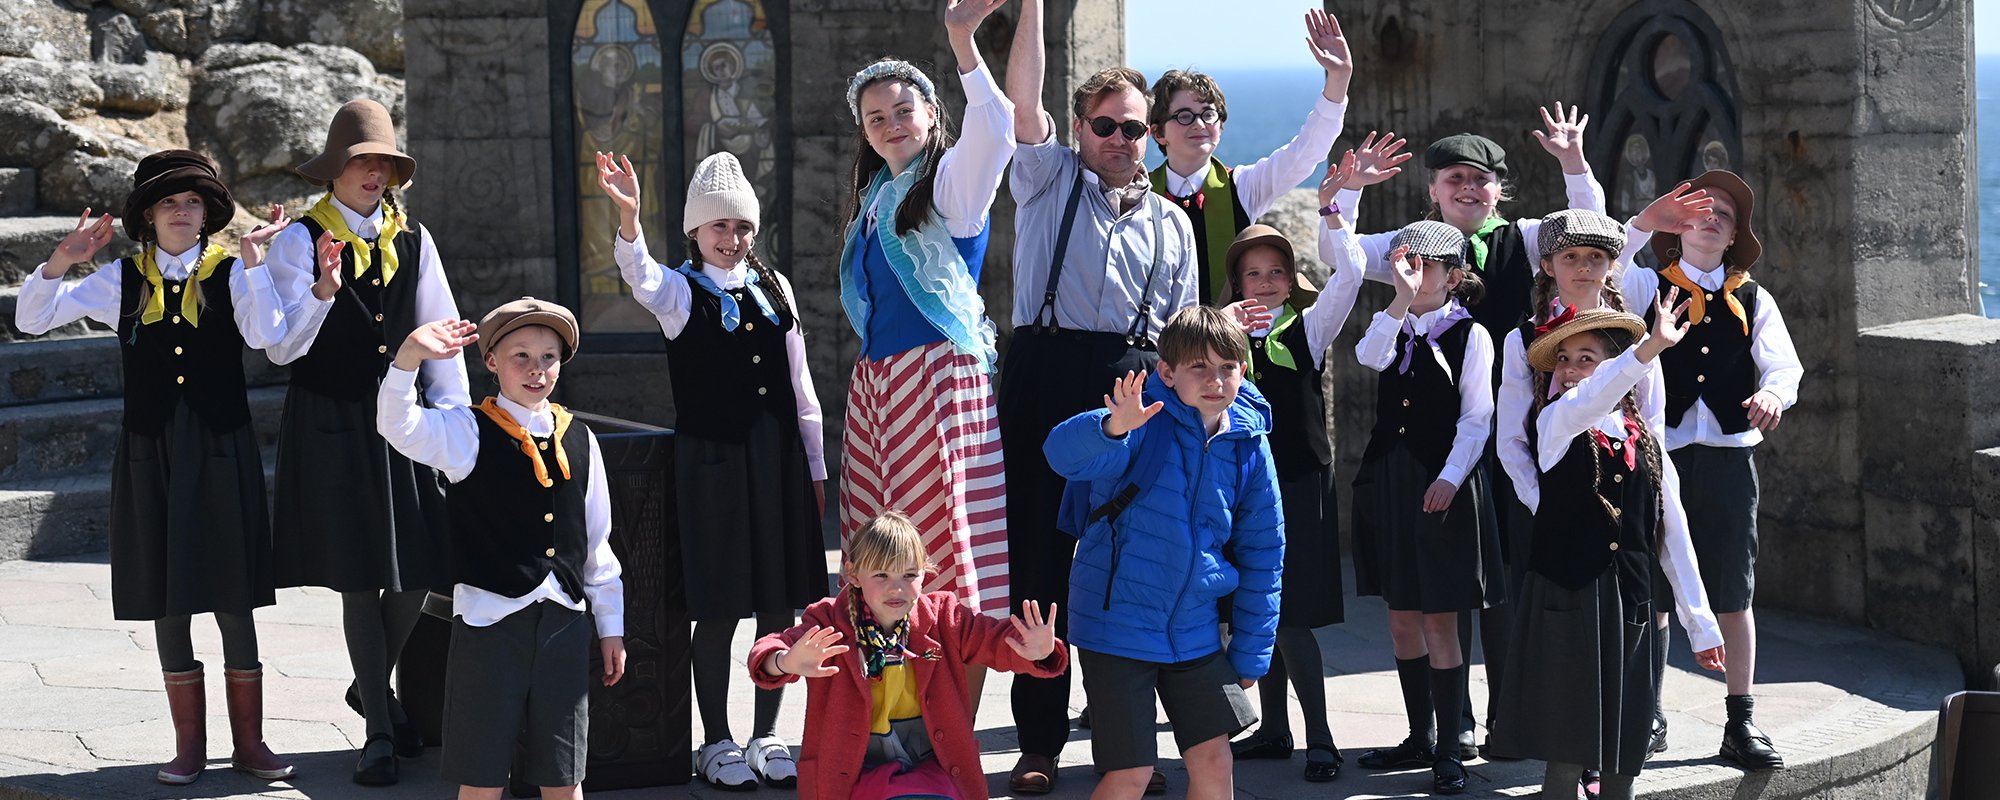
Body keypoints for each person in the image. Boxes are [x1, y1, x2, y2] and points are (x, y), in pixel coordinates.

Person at [1321, 108, 1608, 761]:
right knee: (1449, 590)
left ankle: (1507, 716)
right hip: (1433, 443)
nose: (1469, 188)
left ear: (1500, 189)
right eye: (1455, 178)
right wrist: (1347, 192)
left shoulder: (1525, 238)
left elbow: (1591, 228)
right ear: (1433, 187)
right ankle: (1457, 724)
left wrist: (1573, 163)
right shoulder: (1411, 246)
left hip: (1519, 432)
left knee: (1503, 579)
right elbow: (1339, 255)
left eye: (1481, 179)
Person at [15, 151, 294, 786]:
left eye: (193, 201)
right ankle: (188, 745)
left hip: (220, 447)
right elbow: (31, 320)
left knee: (233, 595)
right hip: (152, 450)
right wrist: (61, 260)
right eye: (168, 201)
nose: (181, 211)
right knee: (169, 594)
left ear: (208, 212)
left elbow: (266, 337)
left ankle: (250, 742)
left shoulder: (231, 270)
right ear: (147, 215)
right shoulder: (120, 278)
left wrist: (254, 263)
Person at [598, 149, 827, 790]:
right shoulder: (678, 291)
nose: (733, 238)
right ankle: (717, 739)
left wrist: (814, 468)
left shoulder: (776, 288)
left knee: (777, 604)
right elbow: (639, 275)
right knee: (719, 605)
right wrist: (630, 219)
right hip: (714, 466)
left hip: (777, 461)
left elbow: (801, 387)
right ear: (695, 231)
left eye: (743, 226)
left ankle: (766, 733)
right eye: (719, 226)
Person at [257, 98, 465, 785]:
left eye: (383, 162)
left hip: (403, 419)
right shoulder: (298, 239)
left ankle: (368, 684)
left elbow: (442, 335)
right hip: (330, 422)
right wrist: (322, 291)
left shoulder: (416, 240)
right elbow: (281, 349)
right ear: (335, 169)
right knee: (359, 576)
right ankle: (378, 727)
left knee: (421, 568)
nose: (374, 173)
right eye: (361, 161)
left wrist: (454, 422)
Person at [375, 298, 627, 800]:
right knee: (482, 777)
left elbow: (596, 545)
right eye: (521, 356)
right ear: (491, 361)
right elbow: (398, 426)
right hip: (490, 624)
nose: (536, 369)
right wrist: (408, 359)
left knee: (564, 776)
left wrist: (611, 627)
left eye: (548, 357)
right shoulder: (467, 430)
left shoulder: (580, 439)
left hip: (564, 623)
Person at [1488, 294, 1726, 800]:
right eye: (1564, 360)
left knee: (1625, 744)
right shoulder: (1556, 422)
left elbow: (1673, 533)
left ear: (1614, 366)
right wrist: (1647, 350)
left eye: (1586, 358)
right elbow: (1589, 401)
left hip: (1629, 601)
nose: (1571, 369)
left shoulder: (1647, 442)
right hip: (1569, 597)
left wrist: (1701, 624)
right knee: (1568, 741)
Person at [1042, 305, 1285, 800]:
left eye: (1227, 367)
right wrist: (1112, 427)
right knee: (1131, 773)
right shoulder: (1140, 419)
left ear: (1243, 370)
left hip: (1194, 630)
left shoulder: (1249, 441)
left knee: (1215, 761)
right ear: (1168, 372)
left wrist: (1250, 651)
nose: (1215, 380)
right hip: (1117, 625)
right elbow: (1059, 454)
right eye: (1199, 367)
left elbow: (1266, 551)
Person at [835, 0, 1018, 635]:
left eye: (903, 111)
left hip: (937, 380)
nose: (892, 125)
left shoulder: (950, 187)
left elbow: (996, 133)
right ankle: (890, 690)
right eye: (876, 118)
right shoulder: (874, 201)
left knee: (945, 548)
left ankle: (951, 699)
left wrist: (962, 39)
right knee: (876, 549)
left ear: (932, 114)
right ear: (865, 132)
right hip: (878, 387)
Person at [1629, 170, 1802, 771]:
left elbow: (1785, 366)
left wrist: (1774, 394)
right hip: (1660, 453)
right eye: (1699, 210)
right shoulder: (1646, 284)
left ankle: (1740, 720)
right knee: (1653, 588)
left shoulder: (1753, 298)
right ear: (1677, 228)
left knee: (1733, 589)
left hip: (1729, 457)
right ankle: (1647, 714)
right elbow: (1610, 260)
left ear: (1734, 238)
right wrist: (1646, 220)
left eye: (1723, 216)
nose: (1710, 219)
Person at [1341, 220, 1502, 794]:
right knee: (1400, 615)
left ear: (1454, 277)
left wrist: (1451, 478)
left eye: (1425, 265)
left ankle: (1452, 747)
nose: (1412, 272)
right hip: (1390, 477)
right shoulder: (1393, 323)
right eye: (1405, 263)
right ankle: (1419, 735)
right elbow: (1368, 356)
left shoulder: (1472, 335)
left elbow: (1477, 418)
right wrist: (1400, 300)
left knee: (1440, 618)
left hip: (1443, 481)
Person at [747, 511, 1067, 800]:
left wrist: (1036, 651)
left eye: (909, 575)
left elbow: (993, 640)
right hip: (852, 769)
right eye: (881, 575)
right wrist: (785, 661)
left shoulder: (943, 617)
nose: (896, 588)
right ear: (854, 574)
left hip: (929, 764)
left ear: (925, 574)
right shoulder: (829, 620)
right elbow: (766, 651)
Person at [1222, 156, 1366, 783]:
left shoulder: (1307, 331)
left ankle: (1321, 738)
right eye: (1252, 273)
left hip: (1300, 483)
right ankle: (1274, 730)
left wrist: (1333, 207)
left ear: (1291, 280)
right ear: (1237, 283)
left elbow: (1351, 275)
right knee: (1256, 612)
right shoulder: (1219, 340)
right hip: (1241, 486)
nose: (1265, 282)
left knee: (1292, 615)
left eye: (1276, 272)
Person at [1146, 8, 1352, 305]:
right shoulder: (1141, 193)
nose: (1199, 124)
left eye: (1208, 114)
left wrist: (1339, 79)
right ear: (1157, 133)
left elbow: (1306, 152)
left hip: (1231, 331)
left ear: (1221, 126)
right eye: (1184, 116)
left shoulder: (1242, 186)